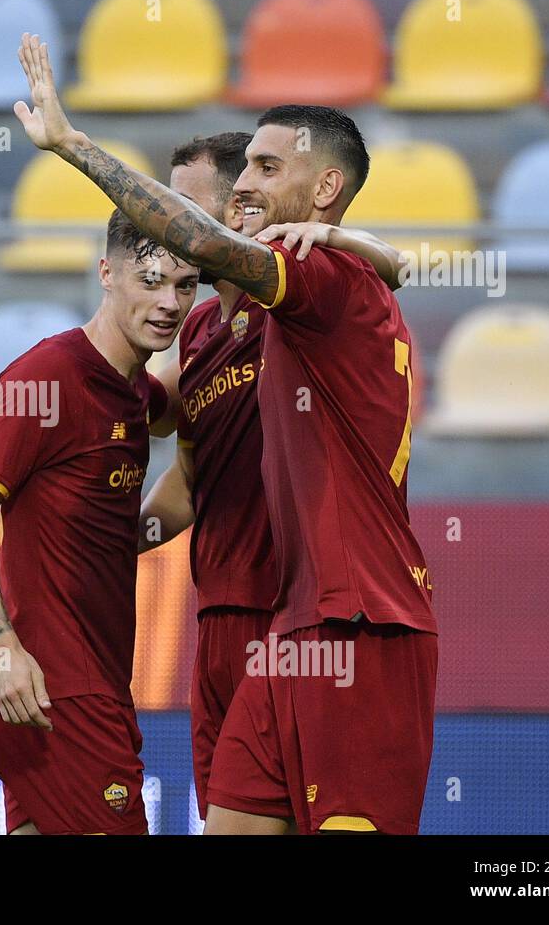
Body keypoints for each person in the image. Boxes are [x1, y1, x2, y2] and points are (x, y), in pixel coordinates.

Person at [15, 33, 436, 834]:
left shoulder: (322, 280)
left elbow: (217, 245)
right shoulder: (230, 319)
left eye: (266, 171)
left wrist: (72, 146)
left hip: (360, 622)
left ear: (327, 188)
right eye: (242, 173)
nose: (246, 187)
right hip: (288, 630)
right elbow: (165, 432)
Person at [140, 133, 406, 823]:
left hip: (299, 611)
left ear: (239, 208)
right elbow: (185, 475)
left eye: (186, 203)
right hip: (220, 615)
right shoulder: (200, 330)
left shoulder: (293, 304)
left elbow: (381, 271)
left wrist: (371, 249)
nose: (169, 219)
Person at [0, 209, 198, 834]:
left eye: (186, 285)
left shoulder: (134, 388)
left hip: (83, 682)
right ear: (106, 274)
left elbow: (174, 410)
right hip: (53, 686)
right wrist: (4, 649)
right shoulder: (46, 378)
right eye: (150, 281)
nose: (169, 302)